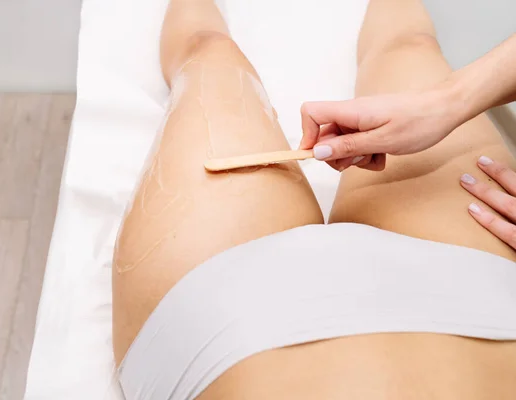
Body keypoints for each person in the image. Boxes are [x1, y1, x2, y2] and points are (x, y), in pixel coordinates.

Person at [112, 0, 516, 399]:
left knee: (209, 52)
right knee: (410, 47)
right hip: (476, 291)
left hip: (220, 327)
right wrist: (447, 102)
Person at [300, 33, 516, 249]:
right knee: (411, 44)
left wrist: (448, 100)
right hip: (468, 257)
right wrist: (445, 102)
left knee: (407, 45)